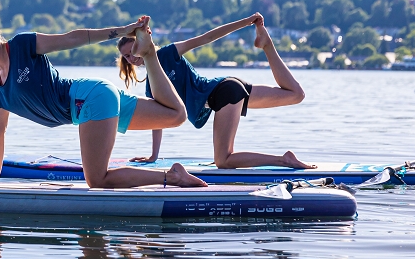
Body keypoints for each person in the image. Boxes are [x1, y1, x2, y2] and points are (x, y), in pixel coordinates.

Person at [0, 7, 206, 188]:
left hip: (89, 99)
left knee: (97, 179)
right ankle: (149, 54)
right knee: (175, 116)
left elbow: (72, 38)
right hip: (95, 95)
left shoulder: (21, 45)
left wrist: (123, 31)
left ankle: (172, 177)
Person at [118, 12, 313, 170]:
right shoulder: (152, 84)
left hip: (223, 91)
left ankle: (284, 160)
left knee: (223, 161)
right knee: (295, 94)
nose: (132, 57)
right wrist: (153, 156)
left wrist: (246, 22)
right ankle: (267, 45)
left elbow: (207, 38)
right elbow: (157, 120)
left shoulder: (168, 53)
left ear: (143, 40)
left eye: (133, 49)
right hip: (227, 89)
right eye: (126, 56)